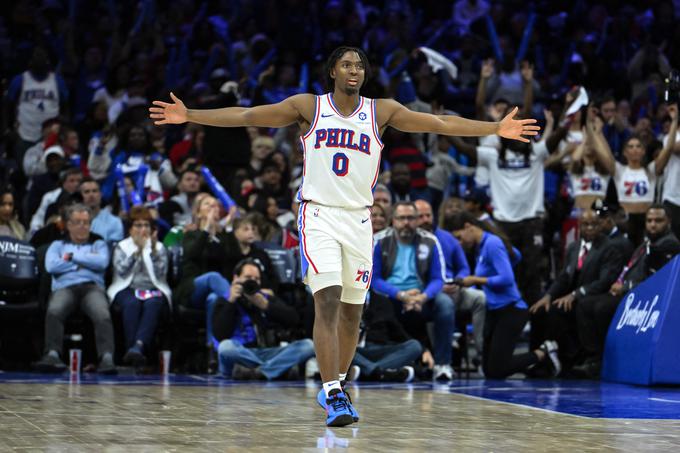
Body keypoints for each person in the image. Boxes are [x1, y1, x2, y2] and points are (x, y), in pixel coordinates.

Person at [150, 45, 538, 427]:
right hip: (317, 213)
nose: (354, 70)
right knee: (329, 297)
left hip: (359, 219)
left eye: (360, 66)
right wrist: (190, 115)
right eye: (347, 64)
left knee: (353, 313)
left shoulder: (380, 111)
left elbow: (438, 123)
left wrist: (495, 128)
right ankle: (334, 390)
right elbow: (248, 114)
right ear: (333, 70)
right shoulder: (309, 107)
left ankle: (336, 383)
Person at [446, 211, 560, 379]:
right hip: (494, 311)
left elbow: (507, 279)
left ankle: (544, 352)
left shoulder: (492, 244)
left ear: (468, 227)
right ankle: (533, 364)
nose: (459, 243)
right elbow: (516, 255)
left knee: (498, 369)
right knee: (489, 370)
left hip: (510, 310)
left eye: (458, 237)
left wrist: (476, 279)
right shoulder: (482, 247)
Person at [529, 210, 623, 374]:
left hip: (592, 297)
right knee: (539, 309)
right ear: (580, 226)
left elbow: (604, 281)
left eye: (594, 224)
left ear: (600, 225)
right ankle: (538, 359)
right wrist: (548, 296)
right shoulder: (574, 247)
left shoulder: (610, 248)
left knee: (555, 312)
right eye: (586, 225)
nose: (590, 228)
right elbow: (564, 277)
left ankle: (565, 359)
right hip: (571, 296)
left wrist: (575, 294)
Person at [371, 201, 453, 381]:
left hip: (421, 297)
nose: (406, 222)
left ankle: (442, 364)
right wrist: (401, 295)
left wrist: (423, 297)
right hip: (390, 297)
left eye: (410, 218)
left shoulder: (430, 241)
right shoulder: (380, 241)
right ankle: (392, 361)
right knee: (376, 300)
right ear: (393, 220)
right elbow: (374, 279)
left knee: (445, 304)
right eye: (401, 218)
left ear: (417, 220)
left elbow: (439, 278)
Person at [33, 204, 116, 374]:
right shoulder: (57, 244)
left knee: (102, 313)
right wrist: (83, 264)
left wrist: (70, 258)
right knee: (55, 310)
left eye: (86, 222)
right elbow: (51, 266)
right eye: (77, 222)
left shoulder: (98, 243)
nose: (82, 226)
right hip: (65, 287)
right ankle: (52, 354)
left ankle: (107, 358)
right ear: (68, 225)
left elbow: (101, 263)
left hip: (92, 288)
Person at [212, 258, 314, 380]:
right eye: (248, 277)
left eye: (256, 279)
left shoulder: (264, 297)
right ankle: (275, 369)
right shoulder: (224, 300)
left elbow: (294, 319)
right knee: (225, 347)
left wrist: (266, 306)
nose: (252, 282)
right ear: (236, 278)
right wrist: (231, 302)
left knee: (309, 345)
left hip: (267, 352)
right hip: (240, 353)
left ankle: (259, 371)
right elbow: (220, 335)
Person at [415, 199, 486, 362]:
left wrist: (458, 281)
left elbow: (464, 268)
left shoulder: (448, 238)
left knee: (480, 298)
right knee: (439, 303)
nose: (426, 219)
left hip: (454, 288)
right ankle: (438, 357)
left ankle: (482, 351)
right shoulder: (412, 241)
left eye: (428, 215)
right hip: (428, 293)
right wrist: (436, 288)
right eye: (421, 216)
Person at [598, 104, 678, 246]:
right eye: (631, 146)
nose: (634, 150)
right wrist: (596, 132)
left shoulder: (651, 170)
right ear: (624, 152)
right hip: (625, 221)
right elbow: (603, 152)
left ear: (643, 151)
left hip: (646, 222)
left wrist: (675, 121)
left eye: (638, 146)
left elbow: (669, 148)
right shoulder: (619, 171)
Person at [108, 206, 171, 366]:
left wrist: (153, 252)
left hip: (153, 288)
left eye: (146, 225)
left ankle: (137, 347)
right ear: (130, 229)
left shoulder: (159, 247)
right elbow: (121, 271)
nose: (143, 229)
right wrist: (137, 252)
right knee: (132, 303)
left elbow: (161, 273)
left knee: (153, 303)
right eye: (138, 225)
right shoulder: (122, 246)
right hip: (126, 288)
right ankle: (133, 351)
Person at [79, 177, 124, 244]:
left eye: (94, 191)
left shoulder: (114, 221)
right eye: (87, 192)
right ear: (80, 196)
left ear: (100, 194)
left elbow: (114, 248)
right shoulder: (74, 222)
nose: (91, 195)